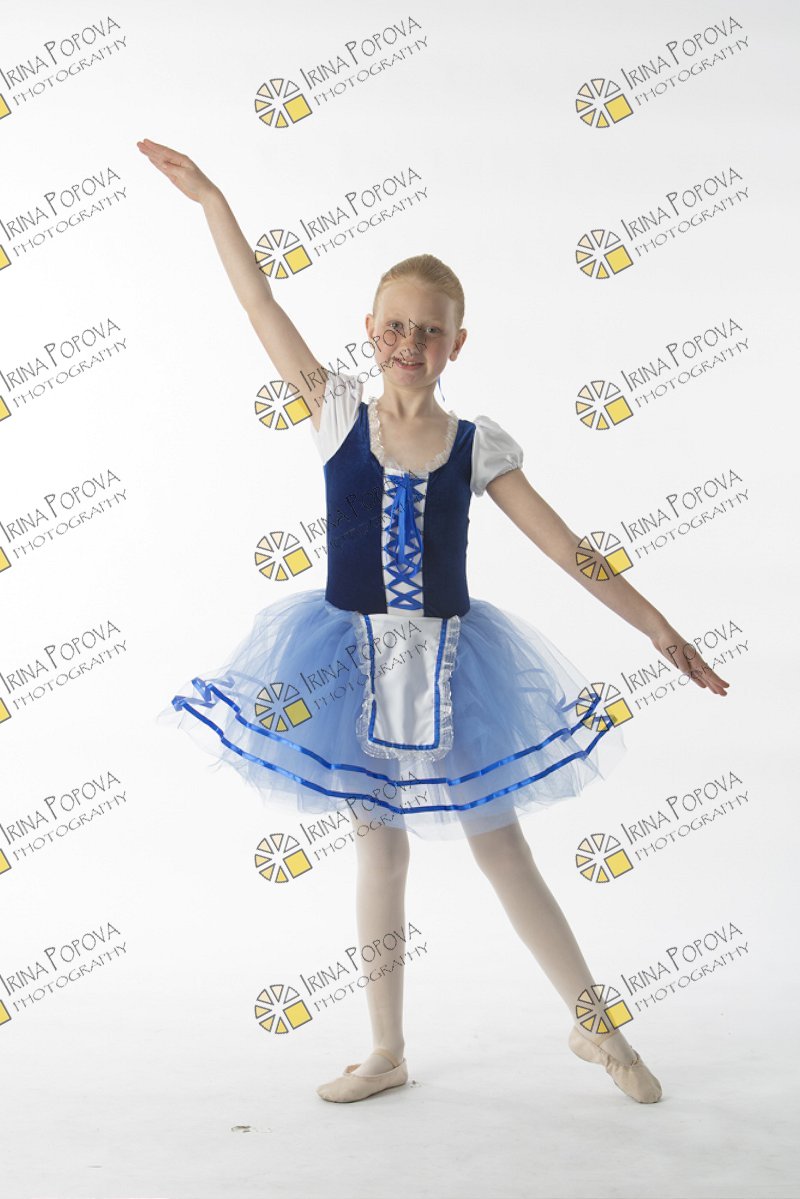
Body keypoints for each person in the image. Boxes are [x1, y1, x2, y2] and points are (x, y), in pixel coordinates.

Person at [139, 137, 729, 1106]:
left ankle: (597, 1024)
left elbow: (567, 548)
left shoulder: (474, 444)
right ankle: (386, 1049)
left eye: (431, 329)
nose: (410, 341)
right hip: (345, 665)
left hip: (455, 668)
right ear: (369, 329)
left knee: (503, 848)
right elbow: (258, 303)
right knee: (378, 845)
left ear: (458, 344)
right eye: (396, 325)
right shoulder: (333, 411)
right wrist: (211, 200)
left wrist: (656, 625)